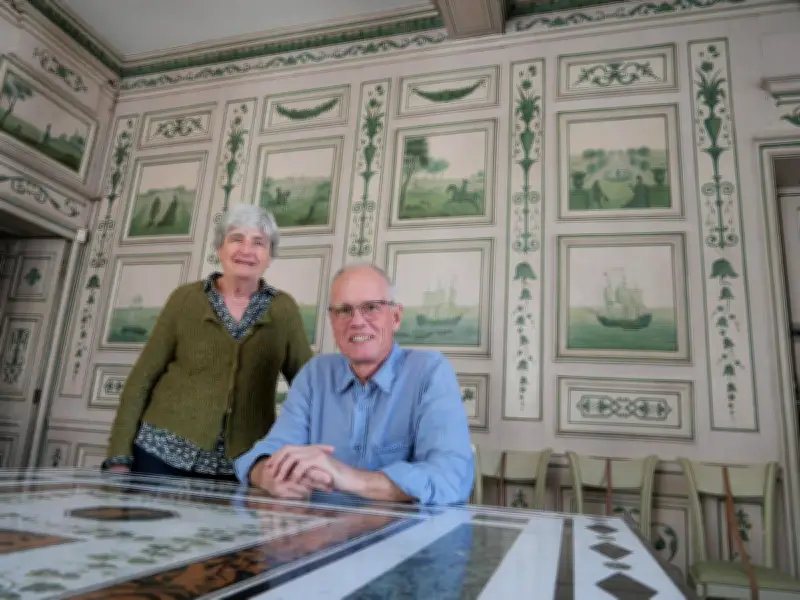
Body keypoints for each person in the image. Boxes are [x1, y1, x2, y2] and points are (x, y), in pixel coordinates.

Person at [234, 262, 474, 505]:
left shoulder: (430, 372)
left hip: (399, 538)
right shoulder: (315, 375)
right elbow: (269, 450)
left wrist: (344, 476)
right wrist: (268, 475)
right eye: (344, 310)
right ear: (332, 320)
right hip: (320, 535)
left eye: (371, 307)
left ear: (396, 317)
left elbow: (449, 480)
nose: (357, 321)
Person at [102, 204, 313, 479]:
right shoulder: (185, 299)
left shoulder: (283, 308)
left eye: (258, 243)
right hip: (162, 452)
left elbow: (309, 385)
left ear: (270, 256)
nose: (246, 250)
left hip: (242, 463)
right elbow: (142, 377)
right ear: (219, 249)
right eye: (236, 239)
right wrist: (119, 455)